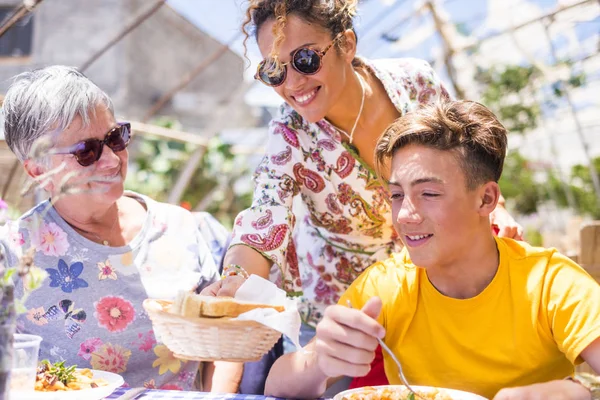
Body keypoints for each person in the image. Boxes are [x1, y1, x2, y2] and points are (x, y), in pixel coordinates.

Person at [201, 0, 523, 391]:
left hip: (430, 289)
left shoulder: (416, 81)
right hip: (342, 313)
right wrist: (235, 278)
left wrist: (497, 211)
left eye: (305, 58)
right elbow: (264, 216)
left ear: (346, 44)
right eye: (274, 70)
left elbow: (468, 160)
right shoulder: (289, 134)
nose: (292, 82)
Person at [262, 100, 600, 400]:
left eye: (429, 194)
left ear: (486, 199)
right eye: (396, 195)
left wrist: (579, 390)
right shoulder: (385, 286)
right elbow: (277, 386)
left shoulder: (550, 283)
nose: (405, 215)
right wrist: (320, 361)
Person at [0, 66, 241, 392]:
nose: (112, 160)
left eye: (116, 138)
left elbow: (227, 342)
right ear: (37, 169)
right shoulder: (14, 255)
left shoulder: (181, 230)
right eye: (86, 151)